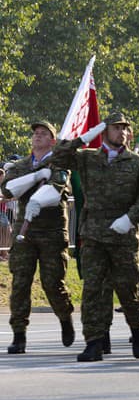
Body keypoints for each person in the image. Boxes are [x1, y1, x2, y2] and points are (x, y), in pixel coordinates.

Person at [51, 114, 139, 361]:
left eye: (124, 129)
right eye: (115, 128)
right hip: (94, 234)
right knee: (93, 291)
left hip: (124, 235)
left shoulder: (138, 162)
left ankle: (137, 327)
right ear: (104, 131)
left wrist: (130, 218)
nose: (121, 132)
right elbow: (58, 157)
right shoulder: (87, 157)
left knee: (129, 288)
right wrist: (84, 136)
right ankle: (94, 342)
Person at [1, 121, 75, 354]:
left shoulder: (60, 164)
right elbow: (7, 190)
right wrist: (33, 177)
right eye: (35, 133)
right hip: (26, 232)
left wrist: (44, 177)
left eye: (44, 134)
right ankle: (19, 335)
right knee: (21, 282)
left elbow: (59, 188)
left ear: (53, 140)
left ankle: (65, 317)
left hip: (52, 231)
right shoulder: (20, 165)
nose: (38, 136)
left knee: (53, 283)